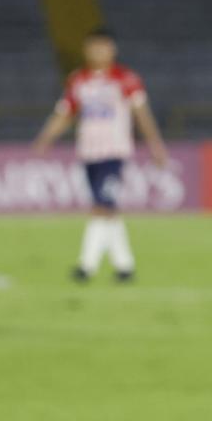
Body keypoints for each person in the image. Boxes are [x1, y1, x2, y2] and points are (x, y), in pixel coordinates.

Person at [33, 26, 168, 283]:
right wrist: (45, 138)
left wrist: (155, 145)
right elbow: (65, 114)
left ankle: (87, 266)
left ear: (112, 49)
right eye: (94, 47)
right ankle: (125, 266)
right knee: (108, 207)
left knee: (100, 206)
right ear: (86, 50)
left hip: (113, 152)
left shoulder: (125, 79)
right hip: (88, 152)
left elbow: (142, 114)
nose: (98, 51)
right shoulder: (78, 80)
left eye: (103, 47)